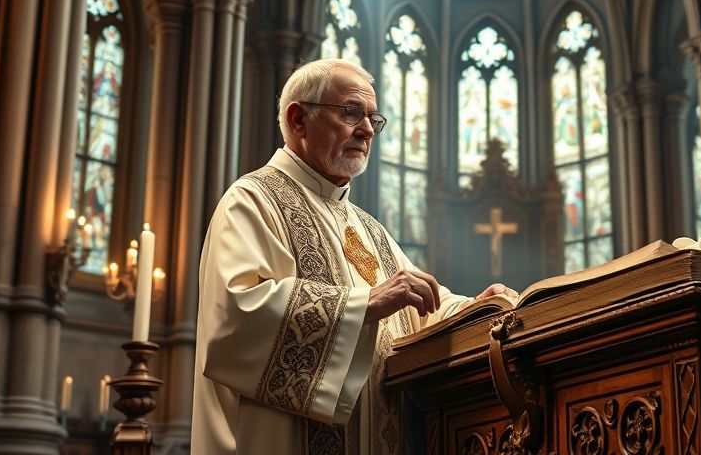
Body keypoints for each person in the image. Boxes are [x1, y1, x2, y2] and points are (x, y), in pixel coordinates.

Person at [191, 58, 516, 454]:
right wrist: (365, 304)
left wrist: (478, 309)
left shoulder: (368, 228)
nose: (366, 130)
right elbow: (235, 319)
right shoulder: (252, 201)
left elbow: (425, 307)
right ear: (298, 120)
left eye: (372, 119)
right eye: (350, 113)